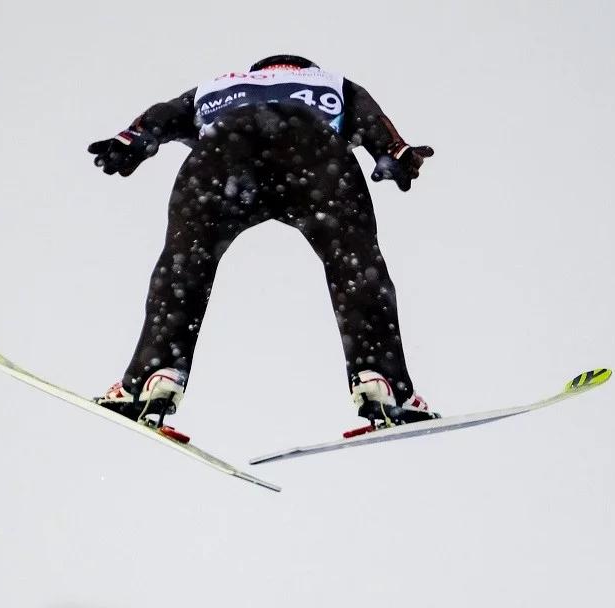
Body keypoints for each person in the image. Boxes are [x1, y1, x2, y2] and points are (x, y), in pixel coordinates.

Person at [87, 54, 439, 428]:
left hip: (225, 150)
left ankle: (152, 378)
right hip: (313, 152)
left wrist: (132, 139)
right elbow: (372, 120)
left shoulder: (217, 85)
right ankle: (383, 382)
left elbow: (163, 114)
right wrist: (394, 151)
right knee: (354, 261)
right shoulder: (331, 82)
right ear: (304, 69)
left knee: (185, 261)